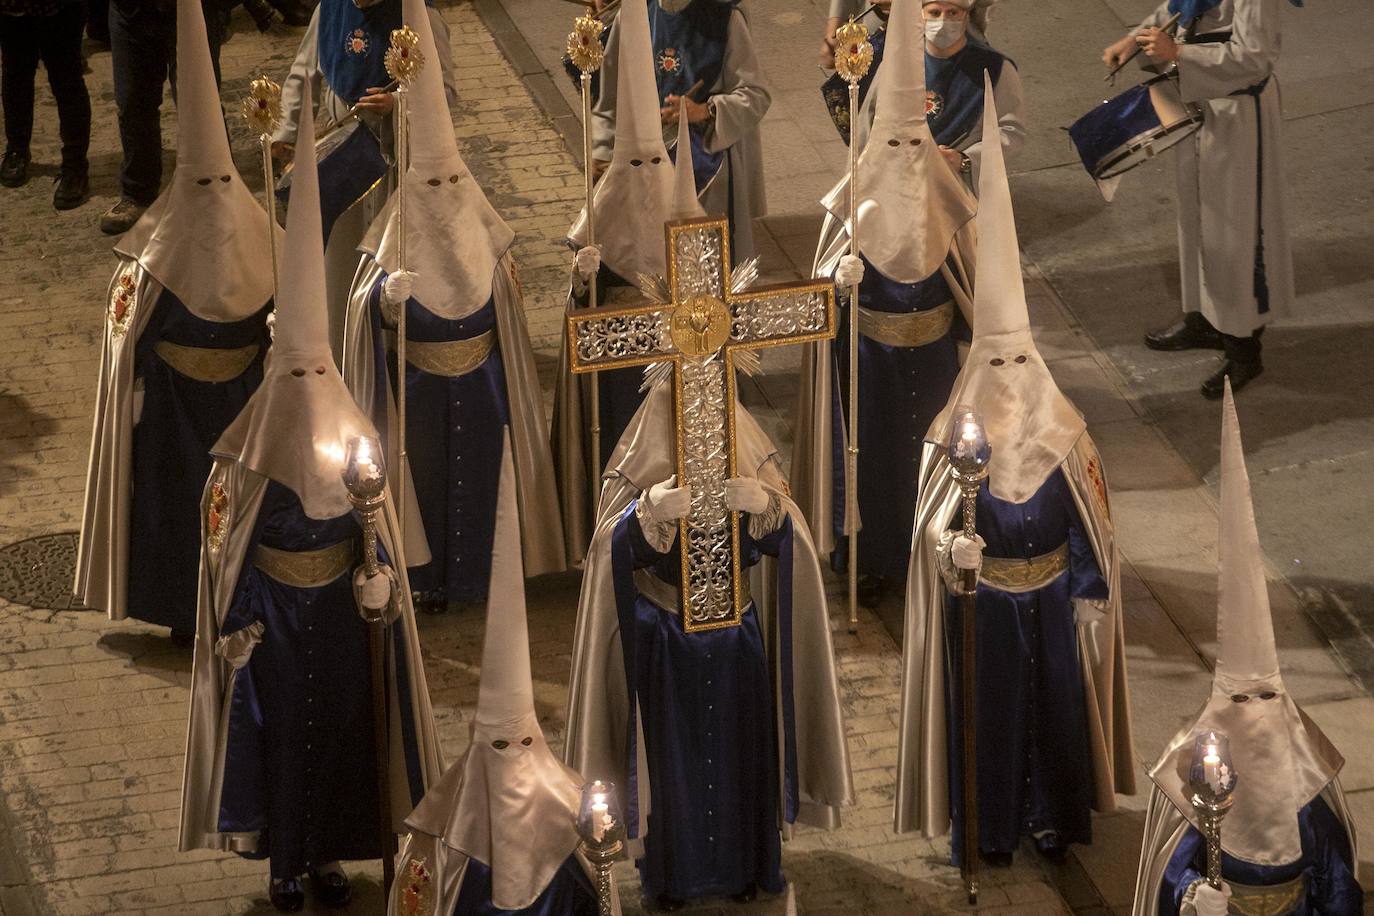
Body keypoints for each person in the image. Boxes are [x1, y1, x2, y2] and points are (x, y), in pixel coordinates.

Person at [178, 82, 442, 914]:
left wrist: (381, 579)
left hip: (337, 614)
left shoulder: (352, 433)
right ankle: (286, 862)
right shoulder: (242, 463)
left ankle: (331, 853)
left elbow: (376, 521)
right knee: (285, 744)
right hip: (276, 627)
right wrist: (237, 626)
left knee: (340, 742)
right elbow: (224, 555)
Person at [894, 80, 1136, 866]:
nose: (1004, 375)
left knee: (1057, 714)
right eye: (992, 361)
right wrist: (948, 550)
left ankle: (1057, 820)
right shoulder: (949, 438)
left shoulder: (1066, 431)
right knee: (992, 718)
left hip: (1054, 596)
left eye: (1015, 361)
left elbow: (1092, 521)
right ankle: (990, 828)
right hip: (986, 606)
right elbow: (933, 524)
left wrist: (1094, 589)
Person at [565, 376, 853, 910]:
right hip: (666, 637)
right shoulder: (639, 453)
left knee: (743, 756)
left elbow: (790, 537)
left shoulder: (746, 443)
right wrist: (646, 514)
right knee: (674, 765)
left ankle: (746, 867)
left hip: (737, 635)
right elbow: (609, 550)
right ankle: (674, 877)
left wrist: (766, 507)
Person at [342, 0, 565, 613]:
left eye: (450, 183)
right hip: (419, 385)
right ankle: (427, 580)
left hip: (483, 382)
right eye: (429, 186)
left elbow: (509, 317)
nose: (441, 196)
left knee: (485, 486)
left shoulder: (485, 233)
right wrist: (383, 304)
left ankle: (491, 577)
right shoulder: (391, 236)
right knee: (430, 486)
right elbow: (361, 316)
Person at [74, 0, 275, 642]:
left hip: (241, 407)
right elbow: (123, 341)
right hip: (171, 415)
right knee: (173, 515)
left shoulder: (261, 240)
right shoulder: (150, 263)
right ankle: (182, 616)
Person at [1131, 382, 1362, 915]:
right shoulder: (1190, 784)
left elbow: (1337, 883)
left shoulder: (1312, 796)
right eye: (1241, 702)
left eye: (1263, 701)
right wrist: (1192, 894)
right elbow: (1170, 874)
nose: (1254, 720)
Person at [792, 0, 977, 610]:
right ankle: (865, 562)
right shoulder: (853, 200)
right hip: (868, 363)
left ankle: (933, 554)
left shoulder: (948, 201)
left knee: (928, 460)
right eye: (889, 142)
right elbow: (820, 287)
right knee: (868, 467)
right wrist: (836, 278)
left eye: (911, 142)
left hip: (932, 364)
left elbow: (973, 284)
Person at [387, 433, 608, 916]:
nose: (513, 765)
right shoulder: (438, 850)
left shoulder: (573, 823)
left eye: (524, 744)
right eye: (500, 748)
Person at [553, 0, 705, 567]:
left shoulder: (678, 204)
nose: (643, 179)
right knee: (613, 446)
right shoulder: (602, 212)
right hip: (616, 370)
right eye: (632, 167)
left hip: (668, 363)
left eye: (652, 165)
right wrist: (583, 277)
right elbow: (581, 305)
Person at [1102, 0, 1296, 399]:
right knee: (1196, 220)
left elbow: (1255, 57)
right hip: (1200, 100)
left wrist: (1179, 53)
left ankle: (1244, 347)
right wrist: (1133, 39)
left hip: (1240, 113)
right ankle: (1206, 317)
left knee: (1237, 229)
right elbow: (1178, 8)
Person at [274, 0, 454, 361]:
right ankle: (342, 339)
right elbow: (304, 72)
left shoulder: (419, 14)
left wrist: (397, 104)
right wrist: (287, 131)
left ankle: (387, 345)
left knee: (388, 255)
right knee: (341, 250)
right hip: (341, 153)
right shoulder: (331, 7)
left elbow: (444, 92)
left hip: (395, 156)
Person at [590, 0, 769, 261]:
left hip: (705, 166)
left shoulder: (724, 17)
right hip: (642, 167)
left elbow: (755, 95)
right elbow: (609, 101)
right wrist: (602, 151)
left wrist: (705, 109)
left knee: (704, 271)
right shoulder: (634, 15)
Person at [820, 0, 1024, 191]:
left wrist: (966, 160)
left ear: (965, 15)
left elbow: (1009, 129)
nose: (943, 21)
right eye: (935, 13)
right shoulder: (894, 63)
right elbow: (868, 124)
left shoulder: (993, 69)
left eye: (951, 13)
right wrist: (858, 179)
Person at [100, 0, 229, 235]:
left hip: (192, 8)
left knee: (200, 105)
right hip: (130, 12)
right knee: (133, 104)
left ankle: (217, 190)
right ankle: (137, 194)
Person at [0, 0, 91, 208]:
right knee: (15, 74)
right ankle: (17, 150)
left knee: (67, 80)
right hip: (11, 6)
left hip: (60, 7)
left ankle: (75, 166)